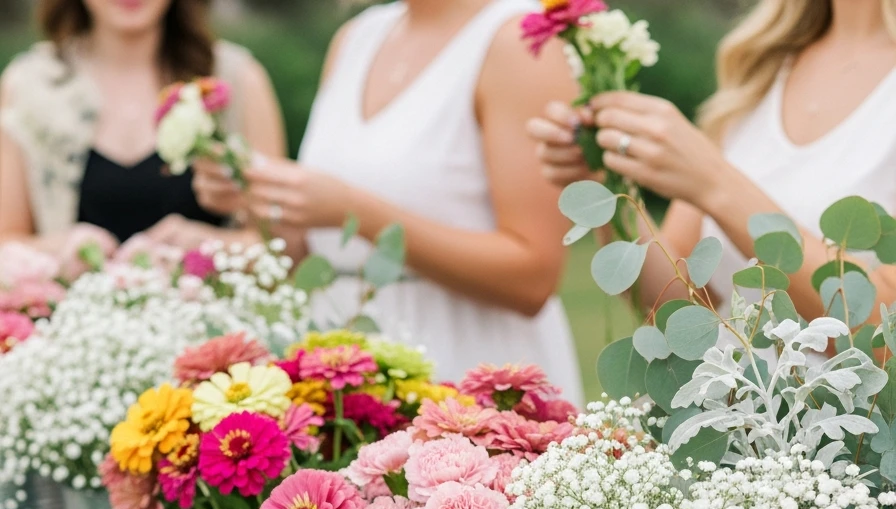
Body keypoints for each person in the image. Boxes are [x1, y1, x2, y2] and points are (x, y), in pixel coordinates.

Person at [193, 0, 583, 398]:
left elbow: (533, 277)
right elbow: (317, 252)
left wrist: (355, 213)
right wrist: (256, 197)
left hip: (471, 375)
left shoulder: (516, 42)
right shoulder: (356, 38)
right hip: (350, 382)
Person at [527, 0, 896, 318]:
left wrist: (716, 184)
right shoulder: (762, 64)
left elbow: (883, 338)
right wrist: (608, 181)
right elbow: (676, 312)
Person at [0, 0, 285, 258]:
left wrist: (209, 247)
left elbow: (283, 245)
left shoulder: (235, 80)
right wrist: (60, 250)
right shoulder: (28, 86)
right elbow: (6, 244)